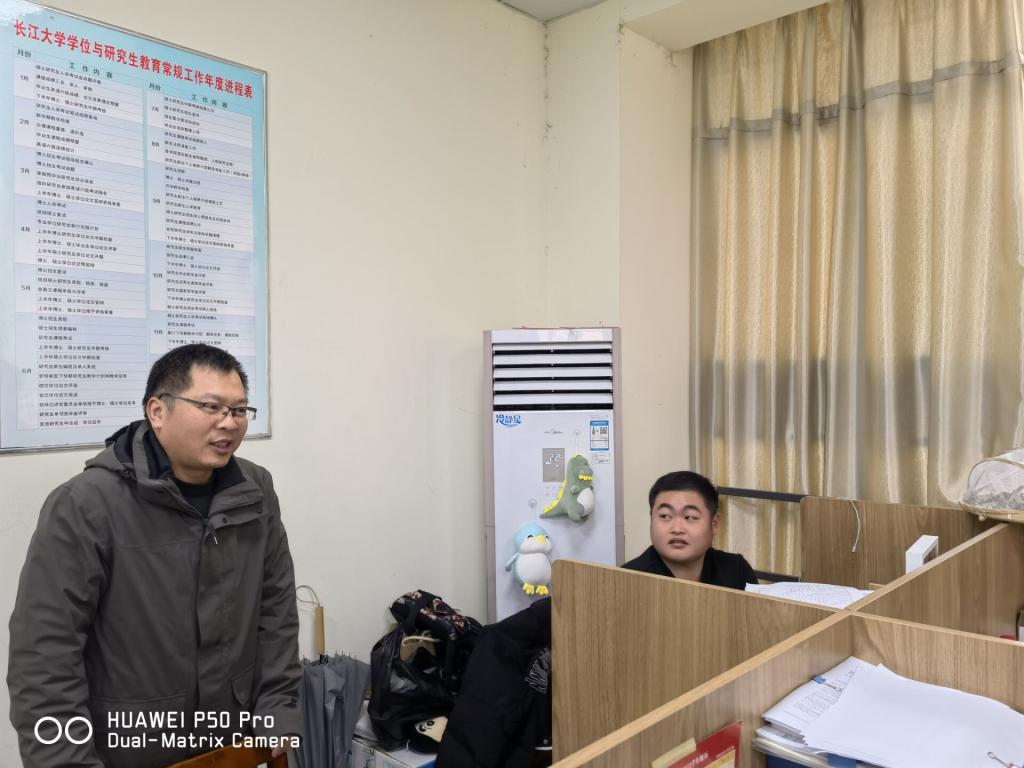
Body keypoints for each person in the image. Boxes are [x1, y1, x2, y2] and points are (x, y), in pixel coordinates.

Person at [8, 344, 301, 768]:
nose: (229, 422)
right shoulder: (85, 505)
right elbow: (45, 657)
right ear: (157, 411)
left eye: (239, 410)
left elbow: (276, 608)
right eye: (211, 406)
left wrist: (279, 707)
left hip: (230, 742)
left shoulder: (254, 490)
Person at [623, 470, 757, 588]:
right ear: (652, 519)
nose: (677, 529)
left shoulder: (736, 571)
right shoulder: (625, 581)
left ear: (714, 524)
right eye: (665, 516)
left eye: (690, 517)